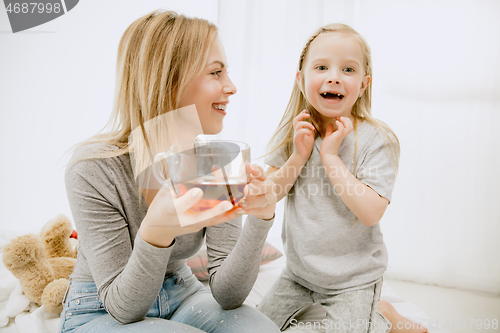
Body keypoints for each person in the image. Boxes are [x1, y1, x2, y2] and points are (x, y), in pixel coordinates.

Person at [61, 10, 280, 333]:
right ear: (168, 81)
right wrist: (157, 232)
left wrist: (261, 219)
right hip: (100, 307)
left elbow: (228, 294)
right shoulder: (93, 169)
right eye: (216, 73)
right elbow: (123, 309)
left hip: (182, 293)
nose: (231, 87)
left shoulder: (216, 163)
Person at [257, 23, 428, 333]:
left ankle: (384, 318)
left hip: (353, 280)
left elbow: (371, 212)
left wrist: (330, 157)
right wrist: (298, 156)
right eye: (321, 66)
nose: (333, 76)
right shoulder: (295, 133)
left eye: (347, 69)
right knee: (252, 327)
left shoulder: (377, 139)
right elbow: (268, 195)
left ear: (363, 85)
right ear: (301, 79)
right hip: (297, 275)